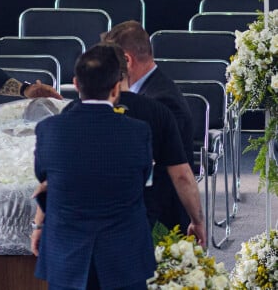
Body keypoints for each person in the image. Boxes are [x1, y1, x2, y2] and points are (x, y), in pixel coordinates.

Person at [51, 44, 206, 244]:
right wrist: (196, 220)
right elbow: (182, 176)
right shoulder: (157, 112)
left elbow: (55, 177)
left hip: (81, 225)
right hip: (137, 224)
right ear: (124, 72)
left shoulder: (69, 113)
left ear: (77, 83)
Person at [33, 45, 155, 290]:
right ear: (115, 87)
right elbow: (142, 180)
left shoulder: (49, 129)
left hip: (66, 252)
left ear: (76, 84)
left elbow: (44, 179)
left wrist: (37, 227)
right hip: (123, 254)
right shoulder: (138, 132)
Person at [102, 20, 194, 232]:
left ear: (126, 60)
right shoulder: (151, 91)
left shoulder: (162, 100)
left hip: (160, 217)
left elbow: (168, 170)